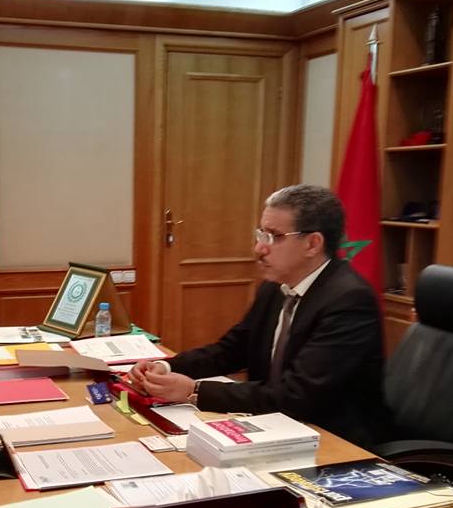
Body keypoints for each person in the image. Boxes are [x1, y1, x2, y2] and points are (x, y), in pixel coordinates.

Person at [128, 184, 386, 449]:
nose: (259, 248)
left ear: (312, 244)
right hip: (277, 422)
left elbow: (297, 396)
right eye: (261, 234)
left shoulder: (349, 300)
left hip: (333, 438)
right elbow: (232, 350)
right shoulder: (275, 286)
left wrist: (194, 391)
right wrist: (167, 368)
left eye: (274, 236)